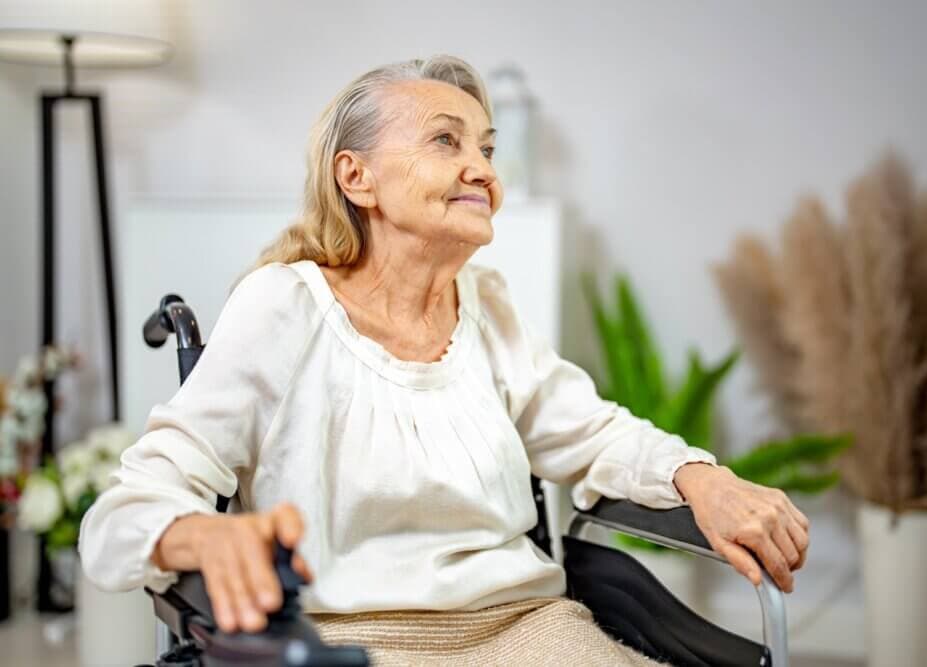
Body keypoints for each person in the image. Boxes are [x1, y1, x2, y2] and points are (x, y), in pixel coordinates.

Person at [79, 55, 809, 665]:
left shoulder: (485, 303)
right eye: (446, 141)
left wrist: (699, 476)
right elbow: (124, 512)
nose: (482, 170)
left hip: (532, 629)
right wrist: (202, 532)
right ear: (355, 177)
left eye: (486, 149)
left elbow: (592, 431)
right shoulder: (282, 306)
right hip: (351, 641)